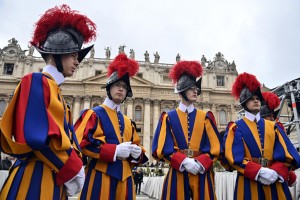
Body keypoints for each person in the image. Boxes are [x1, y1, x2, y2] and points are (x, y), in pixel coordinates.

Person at [0, 4, 96, 199]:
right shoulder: (35, 81)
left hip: (54, 179)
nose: (77, 62)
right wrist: (73, 168)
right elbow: (36, 136)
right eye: (73, 54)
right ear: (57, 52)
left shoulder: (56, 90)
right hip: (34, 178)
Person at [75, 53, 148, 200]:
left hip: (126, 179)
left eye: (124, 87)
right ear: (109, 87)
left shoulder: (128, 121)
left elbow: (138, 147)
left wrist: (137, 153)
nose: (121, 89)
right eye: (117, 85)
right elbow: (82, 143)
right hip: (100, 176)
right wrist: (114, 150)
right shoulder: (93, 114)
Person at [223, 72, 300, 200]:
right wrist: (259, 171)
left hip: (275, 180)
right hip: (248, 182)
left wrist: (277, 171)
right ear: (244, 102)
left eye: (258, 99)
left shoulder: (273, 127)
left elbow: (287, 154)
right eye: (252, 99)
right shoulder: (236, 127)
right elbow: (234, 158)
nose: (256, 101)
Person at [152, 61, 222, 200]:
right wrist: (183, 161)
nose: (195, 91)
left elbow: (216, 148)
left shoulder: (206, 117)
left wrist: (201, 162)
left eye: (196, 88)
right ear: (182, 91)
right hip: (177, 172)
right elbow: (161, 148)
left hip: (202, 173)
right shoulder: (168, 117)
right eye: (191, 88)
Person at [261, 91, 297, 188]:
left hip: (277, 174)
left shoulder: (277, 127)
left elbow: (285, 152)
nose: (273, 118)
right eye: (270, 116)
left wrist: (286, 172)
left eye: (273, 116)